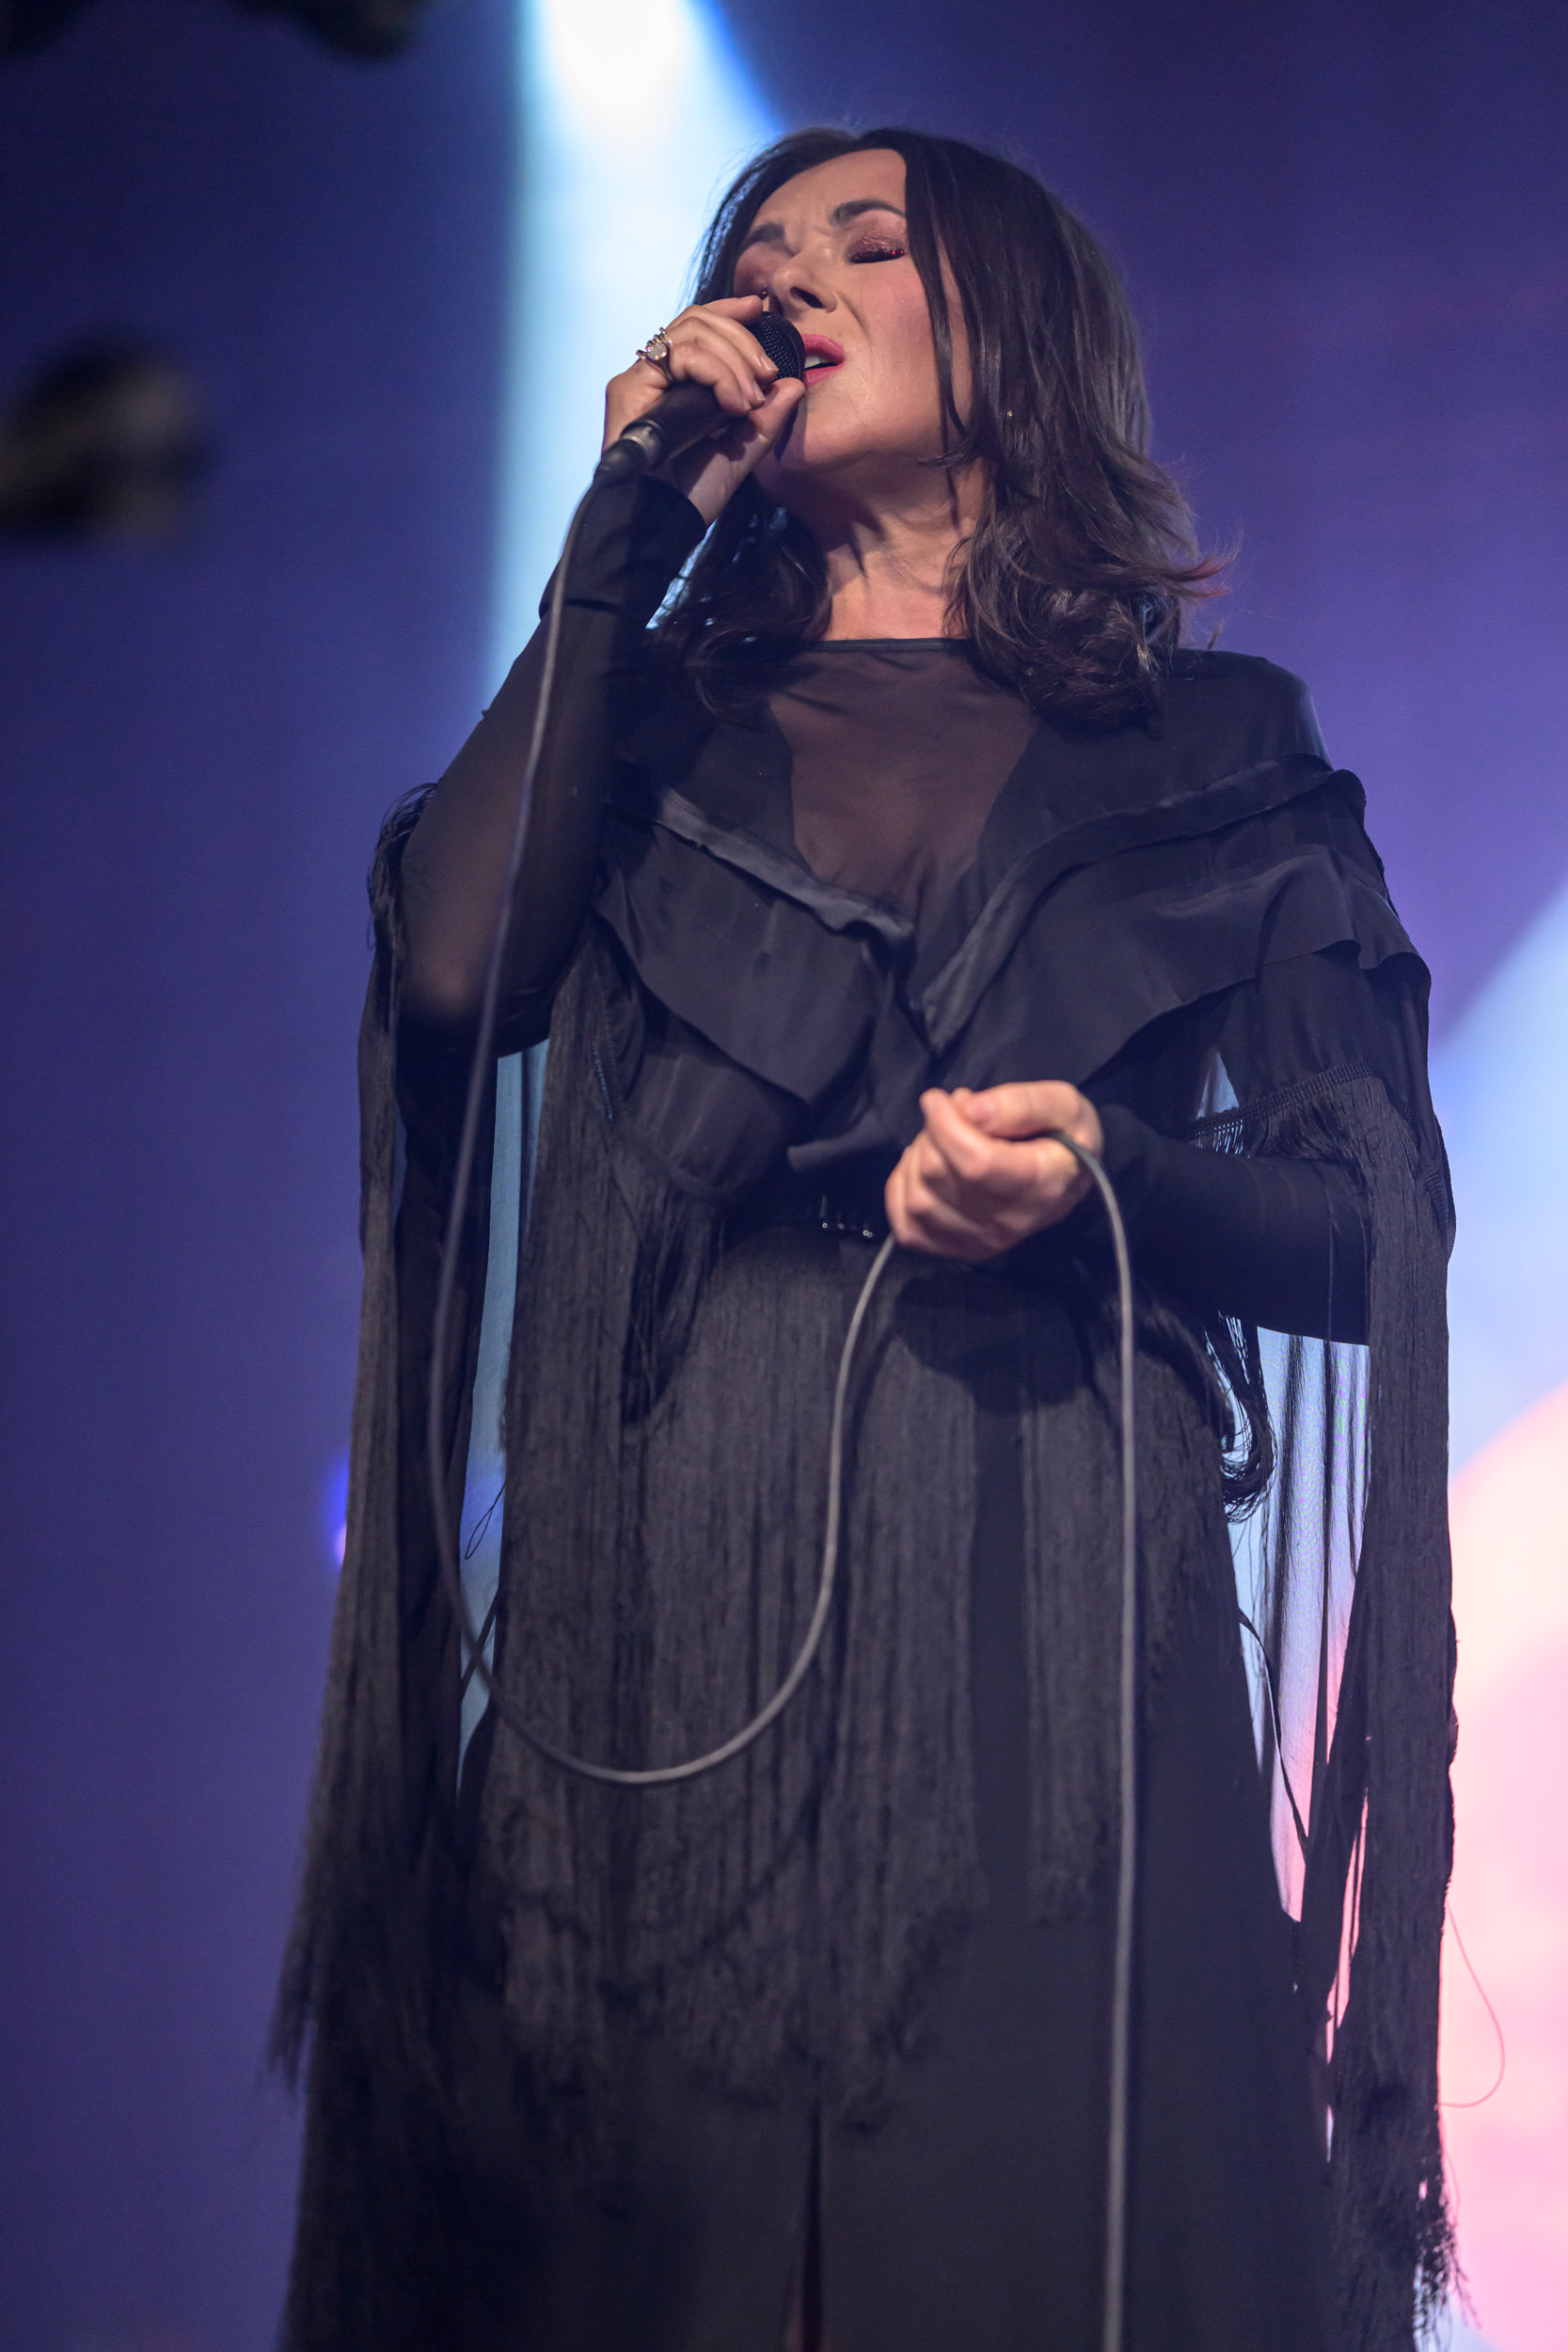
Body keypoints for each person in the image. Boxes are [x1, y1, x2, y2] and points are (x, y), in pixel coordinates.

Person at [276, 128, 1456, 2352]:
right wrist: (624, 531)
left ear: (1021, 329)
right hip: (667, 1602)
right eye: (754, 251)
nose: (787, 275)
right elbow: (450, 973)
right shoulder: (646, 721)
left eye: (864, 241)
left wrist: (1105, 1170)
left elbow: (1370, 1227)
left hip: (1051, 1607)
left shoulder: (1219, 745)